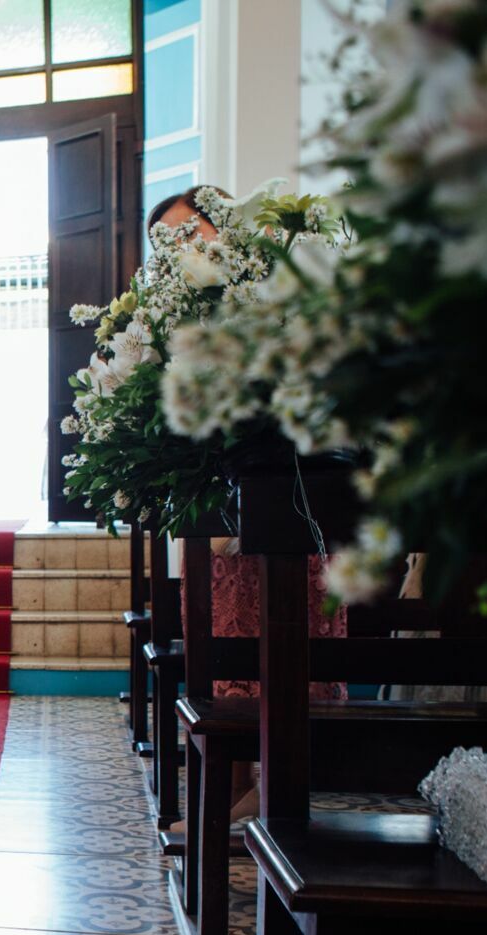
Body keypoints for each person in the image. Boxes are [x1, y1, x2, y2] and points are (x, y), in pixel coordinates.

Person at [155, 186, 345, 826]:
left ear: (218, 231)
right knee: (225, 657)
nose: (179, 253)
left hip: (288, 501)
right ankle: (233, 793)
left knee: (281, 650)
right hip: (221, 508)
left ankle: (272, 791)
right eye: (165, 248)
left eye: (187, 235)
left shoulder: (266, 294)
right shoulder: (178, 320)